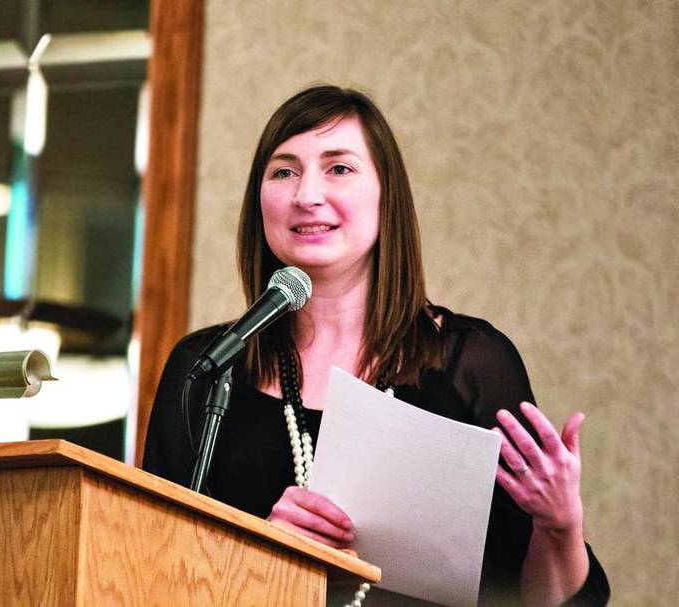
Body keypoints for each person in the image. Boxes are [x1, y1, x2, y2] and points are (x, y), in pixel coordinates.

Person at [144, 85, 610, 606]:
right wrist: (265, 556)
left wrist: (560, 527)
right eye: (283, 171)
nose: (306, 195)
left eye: (339, 169)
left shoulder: (470, 364)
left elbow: (531, 600)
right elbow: (148, 569)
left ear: (388, 195)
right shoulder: (207, 367)